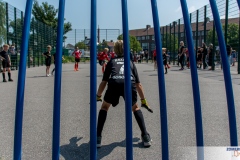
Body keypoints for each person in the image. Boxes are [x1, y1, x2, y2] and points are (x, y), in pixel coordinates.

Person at [96, 40, 152, 148]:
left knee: (104, 107)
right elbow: (138, 84)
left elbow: (104, 81)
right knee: (135, 107)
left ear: (115, 50)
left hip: (114, 84)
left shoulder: (111, 62)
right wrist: (143, 100)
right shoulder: (130, 62)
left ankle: (98, 138)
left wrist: (98, 95)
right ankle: (145, 136)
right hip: (128, 84)